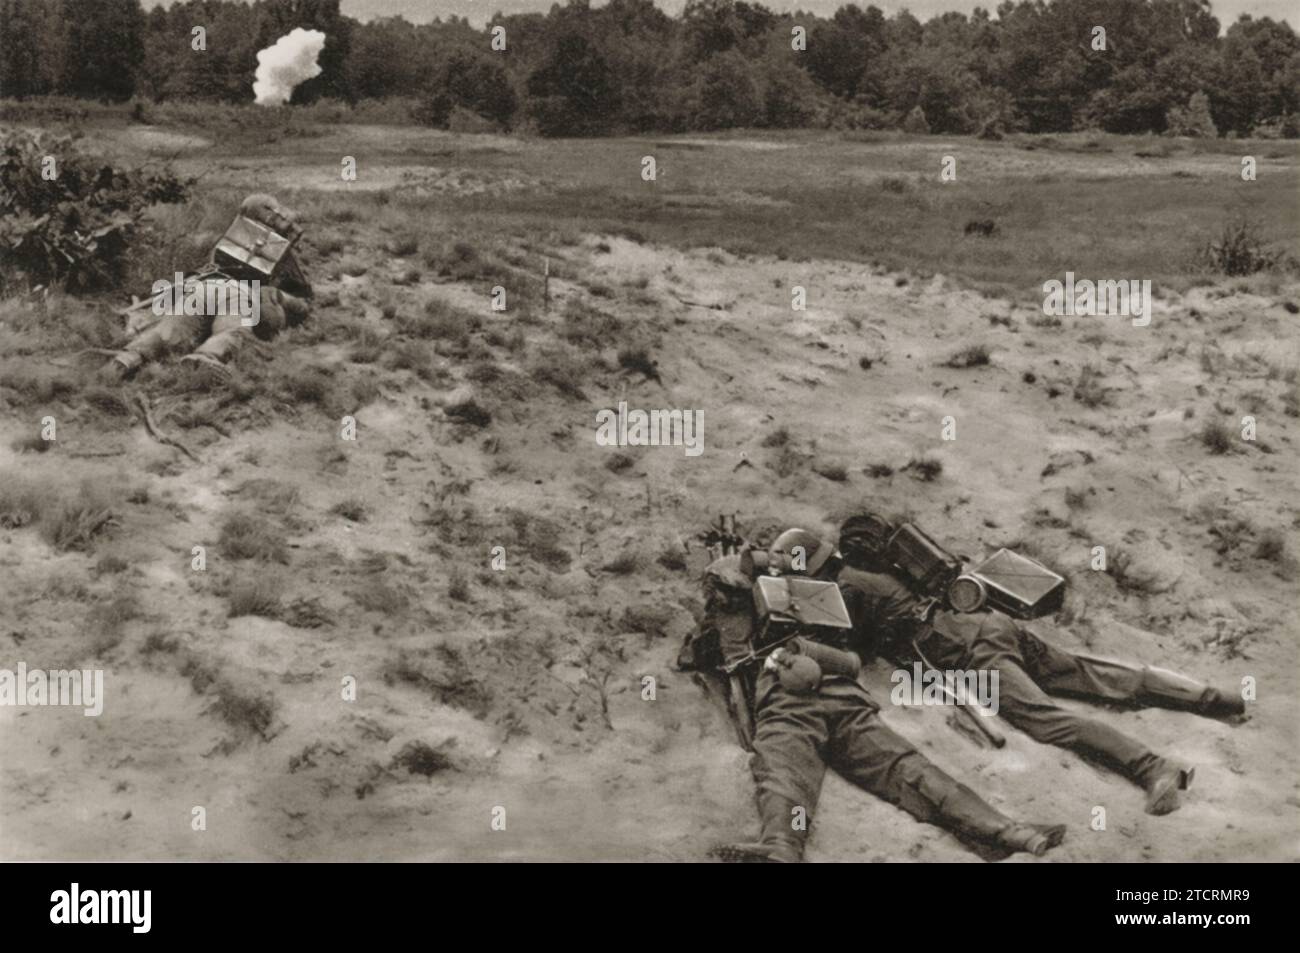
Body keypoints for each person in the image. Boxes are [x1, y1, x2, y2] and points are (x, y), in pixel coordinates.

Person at [679, 528, 1066, 863]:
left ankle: (782, 847)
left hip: (791, 700)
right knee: (908, 769)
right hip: (844, 696)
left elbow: (695, 655)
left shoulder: (755, 606)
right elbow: (854, 656)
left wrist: (723, 611)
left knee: (785, 775)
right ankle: (1010, 832)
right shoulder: (827, 600)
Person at [834, 512, 1246, 816]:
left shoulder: (849, 583)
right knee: (1088, 672)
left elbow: (856, 649)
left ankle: (1155, 768)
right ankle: (1211, 698)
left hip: (974, 655)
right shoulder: (902, 560)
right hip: (991, 622)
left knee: (1047, 720)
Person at [102, 193, 312, 379]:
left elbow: (199, 271)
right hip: (240, 293)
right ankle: (206, 357)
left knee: (168, 331)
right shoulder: (279, 254)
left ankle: (129, 357)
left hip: (202, 288)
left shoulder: (225, 241)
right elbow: (301, 301)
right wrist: (285, 301)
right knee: (232, 330)